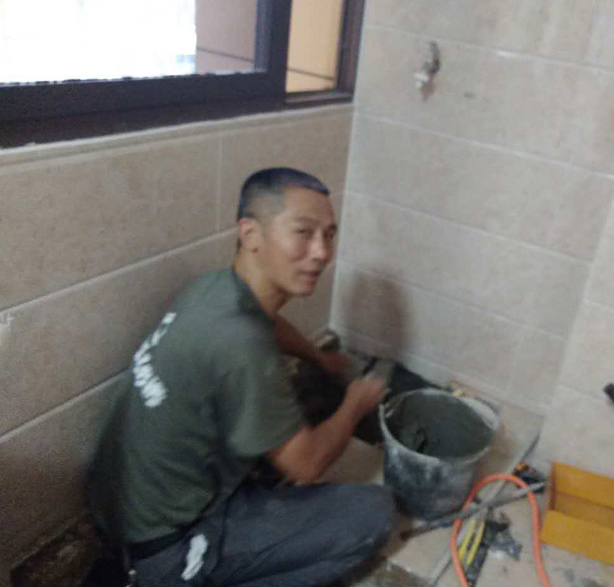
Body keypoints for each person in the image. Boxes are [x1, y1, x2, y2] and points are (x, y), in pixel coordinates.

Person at [88, 168, 394, 587]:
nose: (322, 252)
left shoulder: (214, 289)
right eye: (303, 232)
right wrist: (355, 403)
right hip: (167, 548)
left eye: (329, 235)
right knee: (371, 513)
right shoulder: (242, 346)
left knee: (266, 432)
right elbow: (306, 465)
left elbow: (270, 325)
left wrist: (318, 358)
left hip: (118, 506)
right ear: (251, 234)